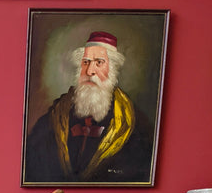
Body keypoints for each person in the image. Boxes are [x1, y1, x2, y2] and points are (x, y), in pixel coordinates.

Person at [24, 31, 154, 184]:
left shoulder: (133, 123)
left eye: (99, 62)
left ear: (112, 70)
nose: (89, 71)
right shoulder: (56, 115)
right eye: (86, 62)